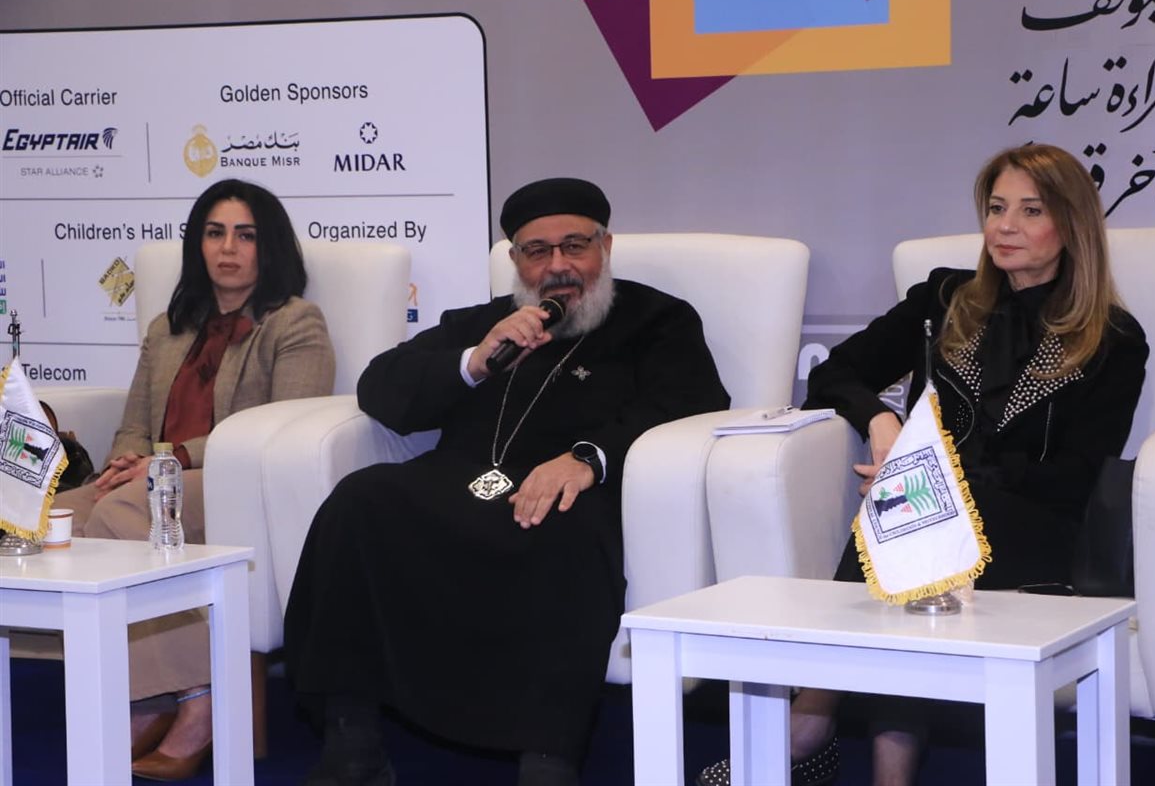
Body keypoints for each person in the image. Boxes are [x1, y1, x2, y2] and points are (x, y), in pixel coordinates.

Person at [697, 143, 1148, 786]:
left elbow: (1079, 473)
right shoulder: (944, 298)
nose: (1005, 227)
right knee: (917, 522)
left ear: (1072, 226)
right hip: (923, 517)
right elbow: (837, 374)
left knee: (918, 513)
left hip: (1037, 527)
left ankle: (813, 721)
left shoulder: (1113, 338)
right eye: (996, 208)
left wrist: (944, 481)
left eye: (1030, 211)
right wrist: (881, 423)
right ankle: (863, 756)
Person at [285, 177, 730, 786]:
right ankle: (351, 745)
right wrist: (473, 360)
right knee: (360, 502)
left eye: (575, 246)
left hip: (574, 493)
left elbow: (689, 402)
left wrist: (589, 457)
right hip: (458, 483)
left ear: (605, 247)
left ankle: (547, 760)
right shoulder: (486, 322)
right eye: (537, 251)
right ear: (516, 261)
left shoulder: (657, 320)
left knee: (565, 532)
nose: (558, 266)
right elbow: (380, 386)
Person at [52, 178, 335, 780]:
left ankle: (199, 696)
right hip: (156, 476)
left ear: (269, 246)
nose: (228, 248)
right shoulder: (168, 327)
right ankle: (147, 695)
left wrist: (170, 459)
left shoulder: (295, 322)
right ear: (197, 244)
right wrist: (125, 462)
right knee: (51, 523)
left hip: (235, 483)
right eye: (214, 233)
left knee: (127, 512)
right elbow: (135, 422)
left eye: (245, 235)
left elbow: (283, 423)